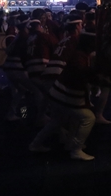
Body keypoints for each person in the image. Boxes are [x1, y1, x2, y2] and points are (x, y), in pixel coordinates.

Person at [29, 32, 98, 161]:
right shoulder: (80, 58)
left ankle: (35, 144)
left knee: (57, 121)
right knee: (89, 118)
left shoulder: (79, 55)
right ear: (89, 43)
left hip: (57, 93)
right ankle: (76, 149)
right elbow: (82, 75)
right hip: (65, 96)